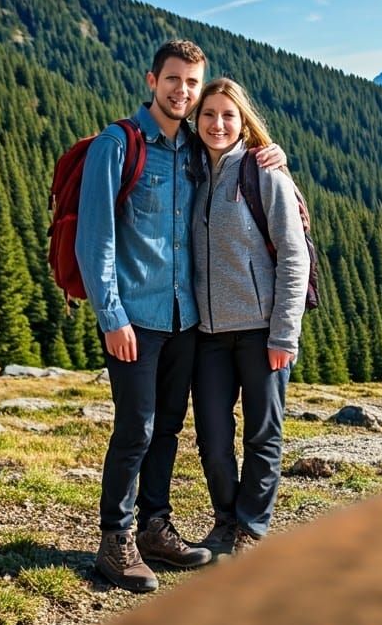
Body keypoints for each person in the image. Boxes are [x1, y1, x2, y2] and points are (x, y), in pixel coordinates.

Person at [77, 40, 284, 593]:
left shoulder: (194, 150)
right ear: (152, 80)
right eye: (174, 80)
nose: (183, 92)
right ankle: (114, 541)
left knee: (167, 428)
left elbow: (237, 159)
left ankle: (153, 526)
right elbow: (93, 241)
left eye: (193, 83)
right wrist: (111, 315)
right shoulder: (116, 145)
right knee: (136, 429)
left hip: (187, 320)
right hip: (135, 319)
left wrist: (272, 153)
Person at [189, 78, 310, 558]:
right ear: (196, 122)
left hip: (263, 331)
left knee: (264, 433)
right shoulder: (190, 172)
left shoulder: (265, 175)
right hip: (209, 335)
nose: (217, 124)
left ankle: (250, 529)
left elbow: (294, 257)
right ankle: (224, 519)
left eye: (227, 115)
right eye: (208, 115)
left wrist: (284, 333)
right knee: (213, 436)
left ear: (243, 122)